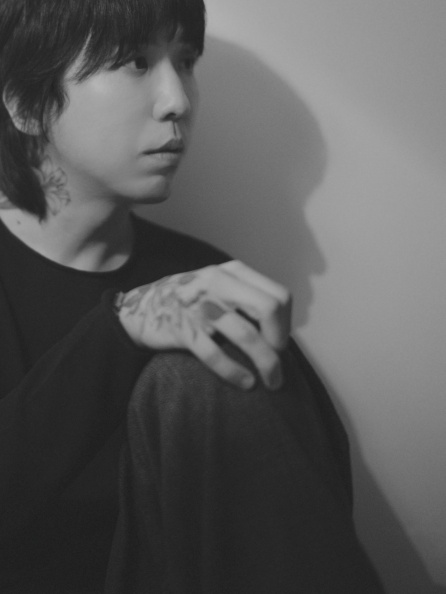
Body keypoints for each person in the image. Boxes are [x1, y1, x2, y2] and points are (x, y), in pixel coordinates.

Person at [0, 0, 385, 592]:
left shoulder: (201, 281)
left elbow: (312, 496)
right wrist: (120, 330)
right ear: (28, 104)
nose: (177, 100)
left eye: (185, 61)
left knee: (207, 357)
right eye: (135, 62)